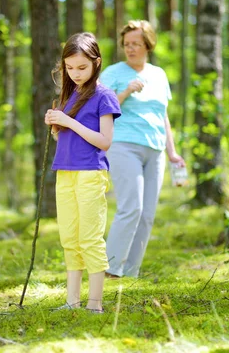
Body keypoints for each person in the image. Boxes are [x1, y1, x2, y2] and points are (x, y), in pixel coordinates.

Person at [101, 20, 185, 279]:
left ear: (148, 45)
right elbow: (102, 109)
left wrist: (172, 152)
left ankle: (131, 272)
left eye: (136, 44)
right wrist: (126, 91)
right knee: (131, 207)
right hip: (124, 145)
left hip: (156, 150)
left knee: (147, 214)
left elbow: (163, 116)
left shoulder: (158, 74)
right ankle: (110, 269)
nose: (130, 49)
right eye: (127, 44)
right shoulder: (113, 73)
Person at [44, 32, 121, 313]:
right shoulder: (69, 94)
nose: (75, 73)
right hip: (65, 172)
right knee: (70, 237)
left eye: (82, 67)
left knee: (90, 237)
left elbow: (104, 141)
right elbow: (63, 139)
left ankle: (95, 304)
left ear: (96, 63)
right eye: (70, 68)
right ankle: (72, 301)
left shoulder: (104, 96)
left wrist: (69, 121)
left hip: (91, 173)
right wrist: (56, 126)